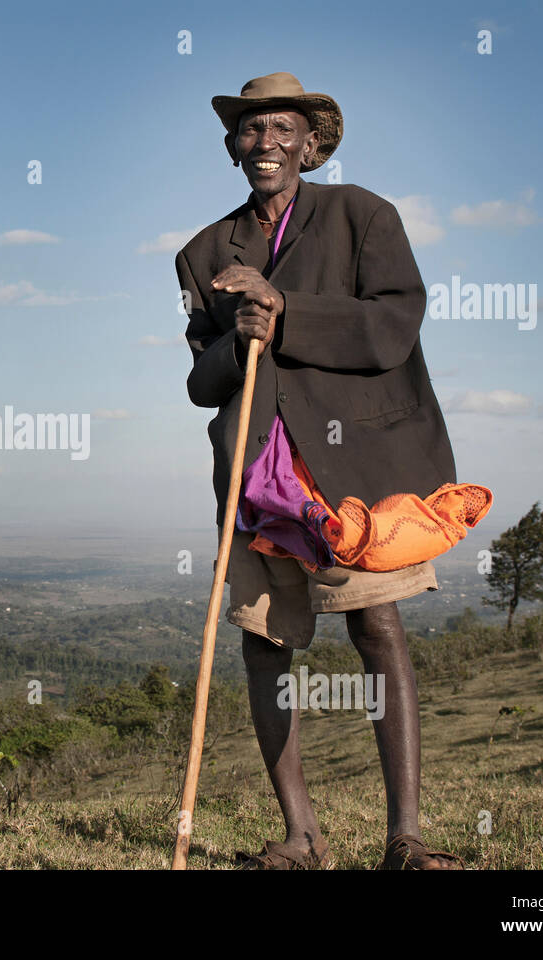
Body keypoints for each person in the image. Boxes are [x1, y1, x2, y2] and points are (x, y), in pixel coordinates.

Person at [177, 72, 464, 869]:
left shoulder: (362, 215)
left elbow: (393, 327)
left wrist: (290, 310)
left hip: (352, 471)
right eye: (249, 129)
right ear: (233, 147)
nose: (263, 142)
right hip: (256, 475)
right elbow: (203, 380)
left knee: (376, 627)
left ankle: (405, 837)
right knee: (264, 643)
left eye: (281, 129)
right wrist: (241, 332)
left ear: (311, 144)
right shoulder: (203, 253)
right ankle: (301, 836)